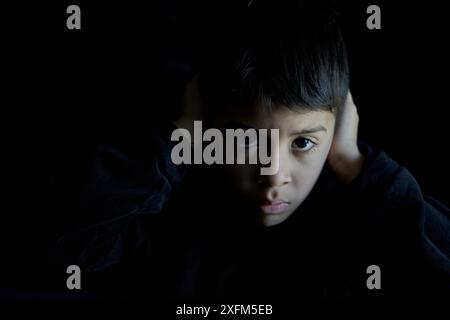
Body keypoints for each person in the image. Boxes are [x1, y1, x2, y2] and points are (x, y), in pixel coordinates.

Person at [53, 1, 449, 299]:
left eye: (303, 143)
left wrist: (354, 163)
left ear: (340, 126)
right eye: (246, 140)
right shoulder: (167, 202)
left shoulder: (360, 207)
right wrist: (180, 141)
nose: (273, 174)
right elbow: (74, 251)